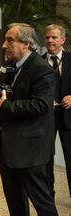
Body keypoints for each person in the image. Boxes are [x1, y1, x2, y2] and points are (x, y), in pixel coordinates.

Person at [0, 23, 67, 216]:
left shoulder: (42, 69)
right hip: (8, 143)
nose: (4, 45)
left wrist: (5, 106)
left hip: (31, 148)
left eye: (9, 40)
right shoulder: (11, 67)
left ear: (27, 44)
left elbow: (41, 106)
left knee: (42, 200)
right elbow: (5, 95)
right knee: (13, 194)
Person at [43, 24, 71, 199]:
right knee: (46, 158)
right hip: (46, 116)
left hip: (68, 115)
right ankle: (47, 194)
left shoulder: (70, 59)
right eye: (47, 37)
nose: (50, 41)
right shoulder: (37, 61)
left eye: (54, 37)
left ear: (63, 40)